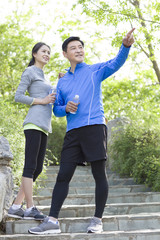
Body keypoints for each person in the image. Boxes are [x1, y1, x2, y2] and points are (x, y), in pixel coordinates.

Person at [28, 28, 135, 234]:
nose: (78, 50)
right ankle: (52, 220)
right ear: (65, 54)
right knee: (63, 175)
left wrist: (126, 46)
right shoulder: (63, 81)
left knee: (99, 174)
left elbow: (116, 62)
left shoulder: (95, 70)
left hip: (94, 126)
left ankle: (97, 219)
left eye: (80, 47)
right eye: (73, 48)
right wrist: (65, 108)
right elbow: (57, 110)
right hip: (73, 132)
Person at [8, 42, 56, 220]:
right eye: (44, 51)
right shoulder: (30, 71)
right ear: (34, 53)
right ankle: (29, 207)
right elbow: (18, 96)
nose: (47, 54)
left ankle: (15, 206)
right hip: (33, 123)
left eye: (49, 52)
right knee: (30, 166)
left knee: (36, 170)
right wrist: (42, 101)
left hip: (44, 126)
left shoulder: (43, 75)